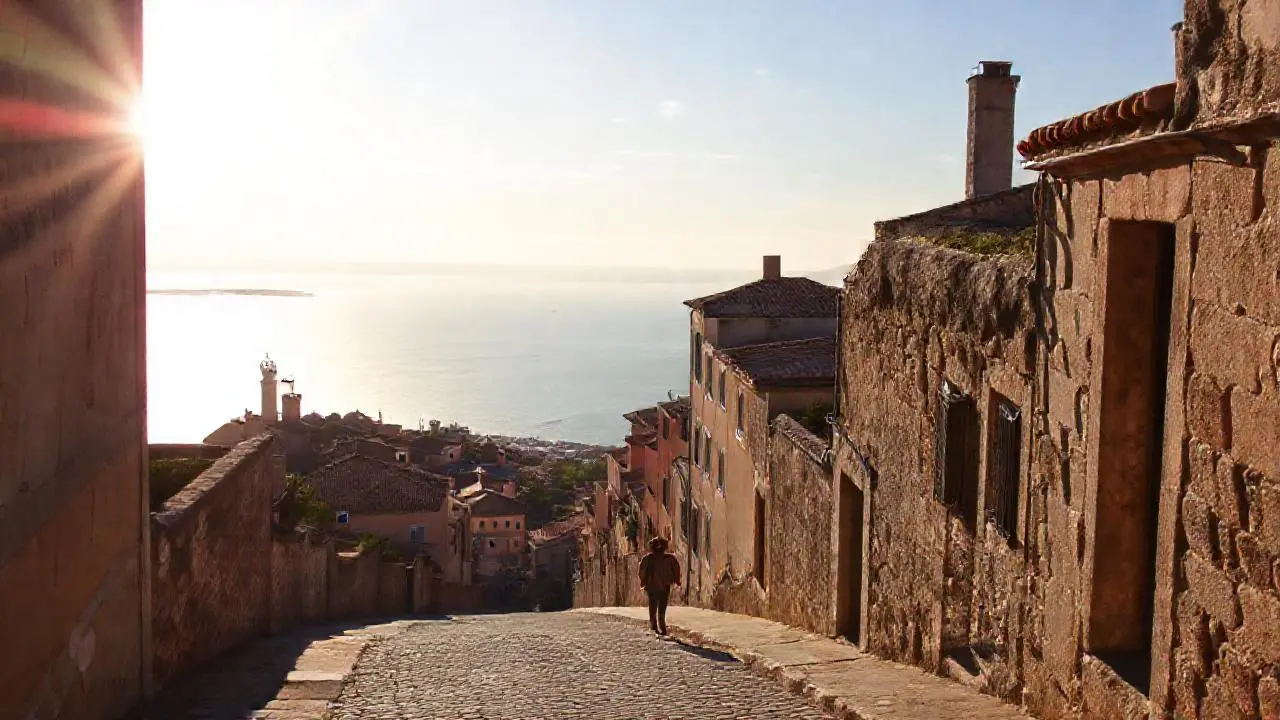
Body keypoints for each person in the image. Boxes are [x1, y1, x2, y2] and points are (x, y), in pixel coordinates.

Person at [639, 536, 681, 635]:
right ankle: (660, 626)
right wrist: (676, 580)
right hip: (662, 587)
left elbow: (641, 572)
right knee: (660, 607)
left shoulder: (648, 559)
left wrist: (643, 581)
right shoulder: (669, 559)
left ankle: (655, 625)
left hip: (653, 587)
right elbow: (676, 570)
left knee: (654, 606)